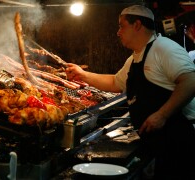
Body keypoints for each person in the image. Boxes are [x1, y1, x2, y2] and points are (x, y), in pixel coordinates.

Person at [66, 4, 195, 179]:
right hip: (159, 142)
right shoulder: (135, 58)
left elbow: (191, 81)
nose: (118, 32)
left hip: (181, 142)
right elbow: (114, 83)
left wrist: (162, 115)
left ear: (137, 25)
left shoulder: (164, 48)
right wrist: (82, 75)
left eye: (121, 26)